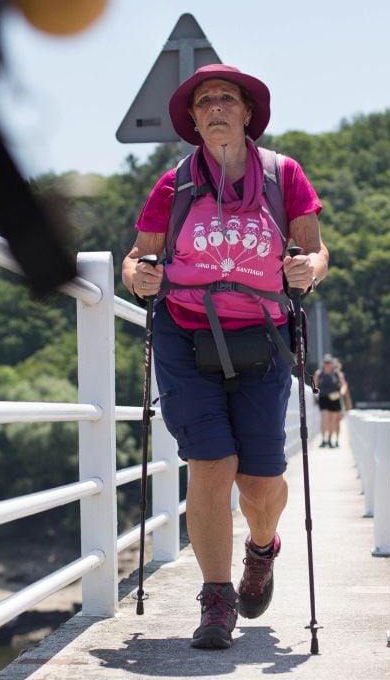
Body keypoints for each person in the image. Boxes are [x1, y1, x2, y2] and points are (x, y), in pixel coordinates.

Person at [122, 64, 328, 649]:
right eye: (204, 100)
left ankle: (261, 549)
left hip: (262, 335)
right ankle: (216, 599)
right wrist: (139, 277)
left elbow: (316, 252)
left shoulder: (283, 176)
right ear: (192, 119)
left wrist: (306, 270)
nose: (215, 107)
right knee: (210, 464)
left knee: (262, 483)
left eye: (226, 99)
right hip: (186, 335)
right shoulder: (174, 184)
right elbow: (137, 259)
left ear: (246, 113)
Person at [314, 355, 348, 447]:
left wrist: (341, 392)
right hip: (323, 398)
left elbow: (344, 385)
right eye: (326, 362)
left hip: (335, 398)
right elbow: (315, 386)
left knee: (333, 420)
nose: (327, 364)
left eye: (329, 362)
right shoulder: (319, 373)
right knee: (324, 418)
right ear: (323, 364)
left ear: (332, 364)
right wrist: (315, 395)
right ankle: (324, 439)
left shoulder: (337, 374)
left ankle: (331, 439)